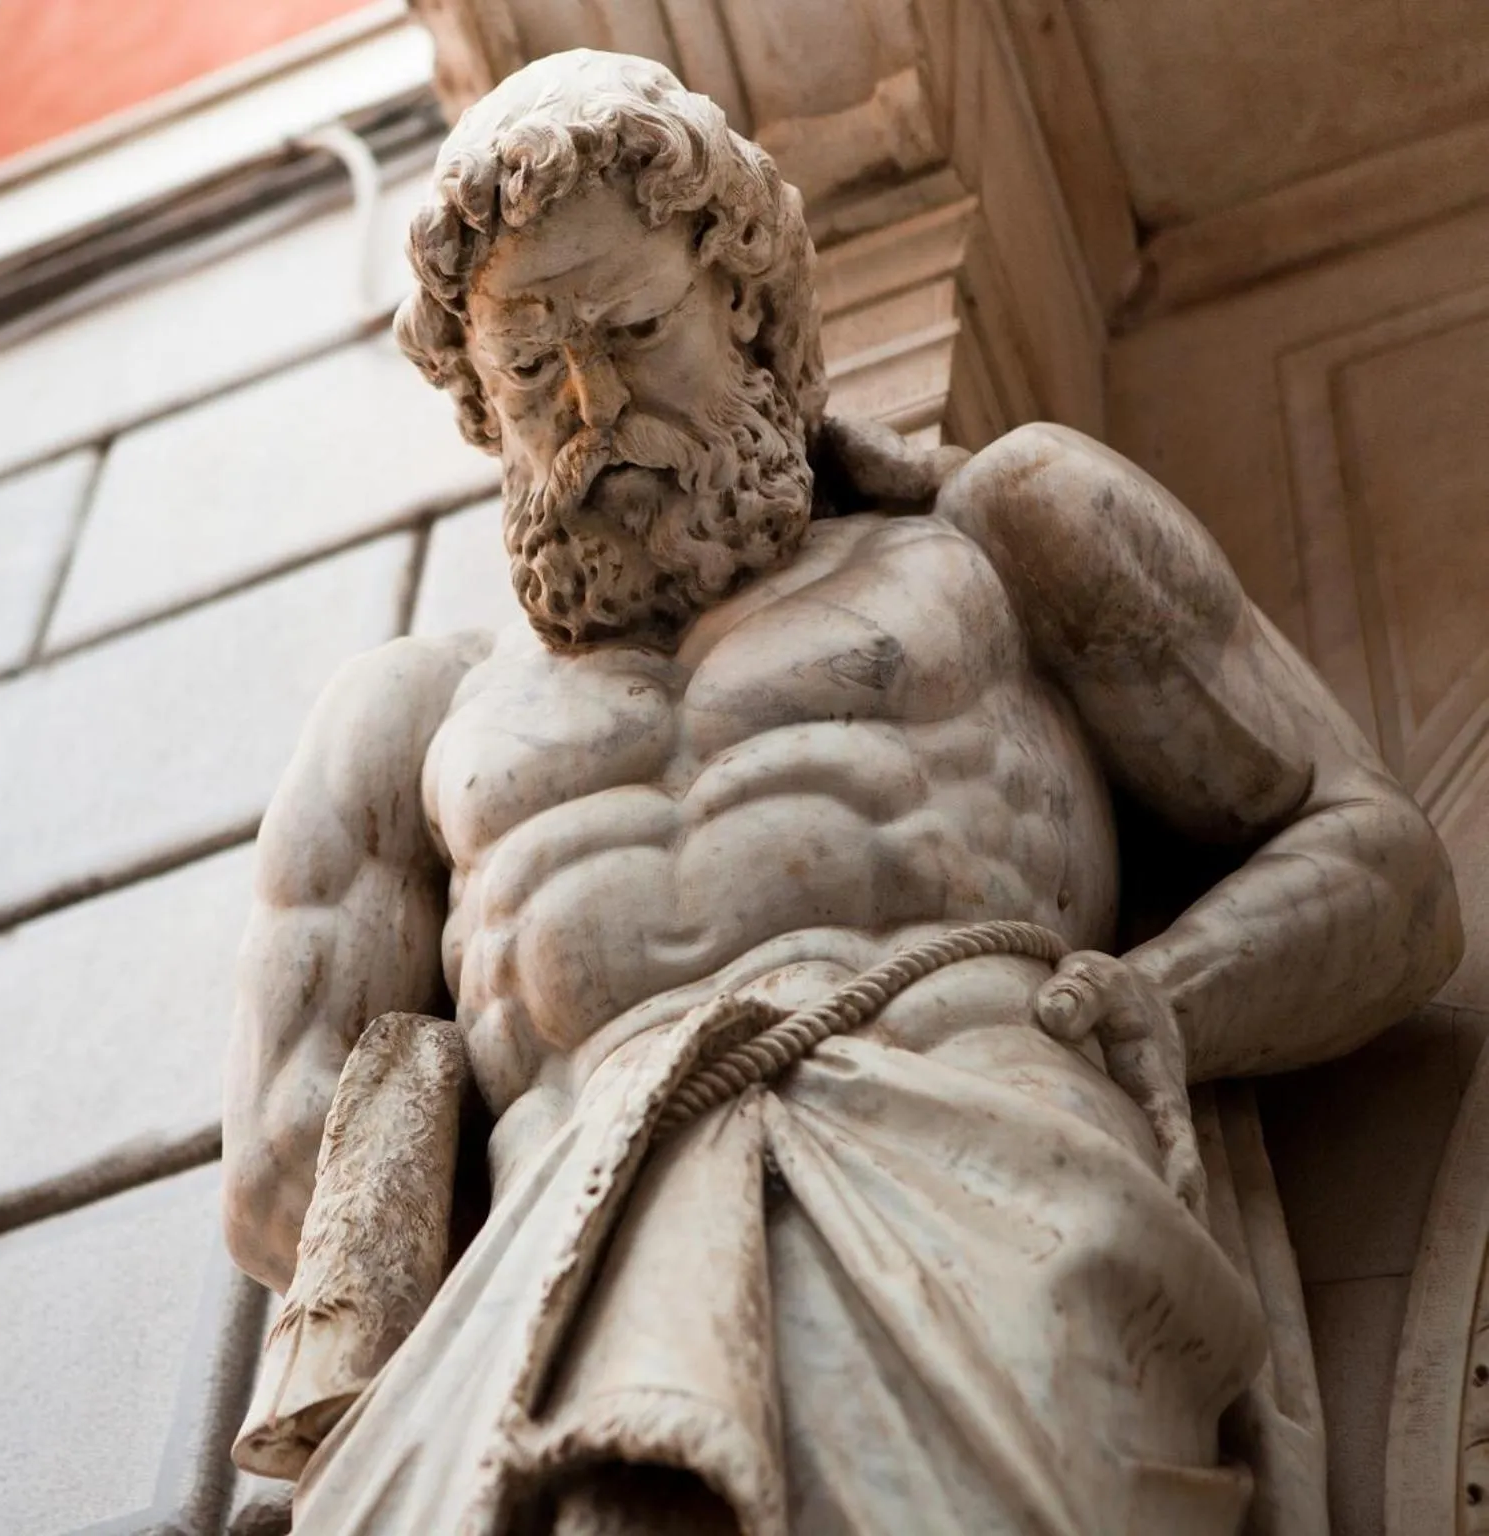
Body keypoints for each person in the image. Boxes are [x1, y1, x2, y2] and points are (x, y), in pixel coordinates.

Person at [221, 49, 1460, 1534]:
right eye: (530, 368)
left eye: (632, 328)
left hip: (977, 1197)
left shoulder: (1000, 535)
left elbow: (1384, 871)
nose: (593, 400)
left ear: (744, 303)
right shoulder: (413, 726)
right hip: (561, 1277)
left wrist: (1168, 1002)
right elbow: (284, 1180)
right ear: (481, 405)